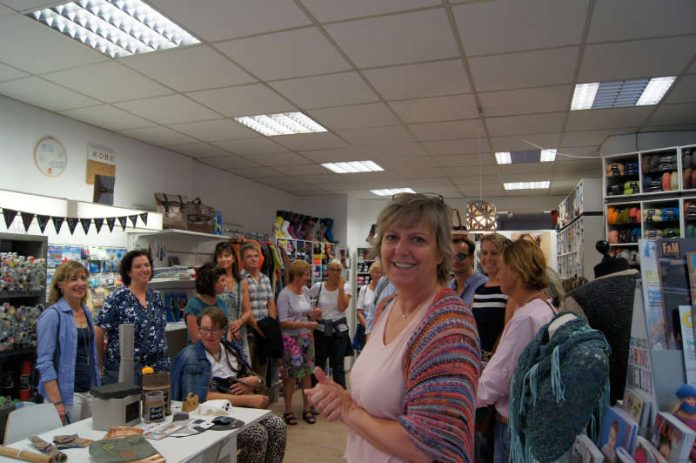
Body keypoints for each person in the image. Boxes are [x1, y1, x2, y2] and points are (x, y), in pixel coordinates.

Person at [306, 192, 480, 463]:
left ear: (440, 253)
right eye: (392, 237)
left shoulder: (448, 327)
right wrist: (342, 399)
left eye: (417, 239)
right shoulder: (389, 305)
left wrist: (348, 409)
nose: (400, 249)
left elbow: (427, 445)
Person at [171, 307, 286, 463]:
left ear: (223, 331)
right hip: (208, 418)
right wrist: (248, 400)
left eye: (213, 330)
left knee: (278, 426)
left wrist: (254, 382)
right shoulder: (191, 357)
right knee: (258, 435)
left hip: (237, 411)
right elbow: (196, 399)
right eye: (204, 329)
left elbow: (254, 377)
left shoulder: (230, 350)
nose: (208, 334)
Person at [477, 239, 556, 463]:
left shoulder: (526, 317)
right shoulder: (544, 306)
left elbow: (498, 379)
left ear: (517, 271)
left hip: (513, 422)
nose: (498, 274)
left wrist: (458, 398)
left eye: (502, 268)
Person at [36, 261, 100, 423]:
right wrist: (56, 402)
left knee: (90, 441)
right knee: (66, 444)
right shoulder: (52, 315)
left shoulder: (85, 311)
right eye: (73, 279)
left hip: (89, 391)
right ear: (60, 284)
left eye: (83, 278)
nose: (80, 283)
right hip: (66, 395)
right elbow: (44, 362)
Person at [95, 249, 169, 385]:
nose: (144, 269)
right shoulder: (118, 297)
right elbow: (98, 333)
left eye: (147, 265)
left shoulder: (156, 296)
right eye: (138, 266)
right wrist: (101, 365)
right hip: (125, 371)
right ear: (129, 272)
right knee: (126, 406)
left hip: (155, 369)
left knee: (154, 405)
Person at [276, 260, 321, 425]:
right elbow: (283, 322)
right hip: (290, 340)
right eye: (306, 275)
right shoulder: (284, 294)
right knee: (290, 377)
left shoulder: (306, 291)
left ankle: (307, 408)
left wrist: (314, 314)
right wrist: (306, 324)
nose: (308, 278)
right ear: (297, 276)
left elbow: (306, 313)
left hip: (306, 338)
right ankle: (288, 410)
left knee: (307, 374)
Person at [309, 259, 351, 388]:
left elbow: (342, 307)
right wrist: (314, 312)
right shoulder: (319, 286)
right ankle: (316, 396)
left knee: (338, 366)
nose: (335, 273)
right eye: (332, 269)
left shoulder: (345, 287)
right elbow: (307, 301)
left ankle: (340, 398)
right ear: (327, 271)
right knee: (319, 365)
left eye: (338, 270)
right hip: (321, 330)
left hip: (339, 331)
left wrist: (340, 289)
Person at [471, 233, 513, 362]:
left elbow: (509, 332)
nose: (488, 258)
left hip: (500, 359)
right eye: (484, 253)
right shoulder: (479, 290)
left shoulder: (509, 289)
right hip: (479, 359)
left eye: (494, 253)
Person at [241, 242, 277, 384]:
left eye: (256, 256)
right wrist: (259, 329)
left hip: (265, 332)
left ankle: (261, 403)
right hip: (249, 333)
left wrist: (271, 325)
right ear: (243, 261)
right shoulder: (241, 280)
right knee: (248, 371)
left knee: (262, 370)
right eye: (249, 257)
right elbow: (245, 308)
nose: (254, 259)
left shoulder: (266, 279)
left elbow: (271, 302)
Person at [214, 241, 253, 362]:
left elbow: (247, 311)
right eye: (220, 256)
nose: (223, 259)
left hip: (239, 333)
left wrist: (239, 322)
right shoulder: (213, 281)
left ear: (233, 258)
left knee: (243, 372)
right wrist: (228, 328)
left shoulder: (242, 282)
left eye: (227, 255)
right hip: (219, 333)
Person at [184, 263, 227, 344]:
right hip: (200, 352)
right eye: (222, 280)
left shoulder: (221, 302)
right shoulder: (193, 305)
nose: (225, 283)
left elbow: (227, 332)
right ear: (210, 283)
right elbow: (196, 338)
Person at [449, 235, 488, 307]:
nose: (454, 261)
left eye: (460, 256)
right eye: (450, 256)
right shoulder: (449, 286)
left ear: (471, 257)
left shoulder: (484, 285)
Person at [355, 262, 383, 351]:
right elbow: (359, 312)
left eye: (380, 273)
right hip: (365, 329)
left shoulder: (386, 291)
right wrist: (368, 327)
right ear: (371, 273)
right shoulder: (364, 289)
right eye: (376, 272)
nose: (378, 275)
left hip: (381, 330)